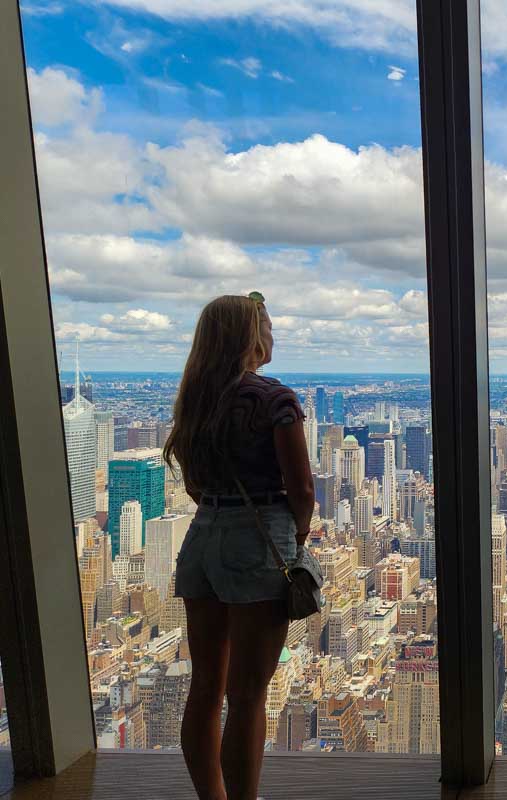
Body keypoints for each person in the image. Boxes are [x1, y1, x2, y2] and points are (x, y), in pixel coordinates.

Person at [164, 294, 314, 800]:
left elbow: (194, 485)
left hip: (202, 538)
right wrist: (296, 538)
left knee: (205, 687)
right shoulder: (276, 400)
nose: (273, 333)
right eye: (266, 324)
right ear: (250, 336)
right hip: (257, 541)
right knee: (248, 695)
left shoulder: (196, 399)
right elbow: (302, 490)